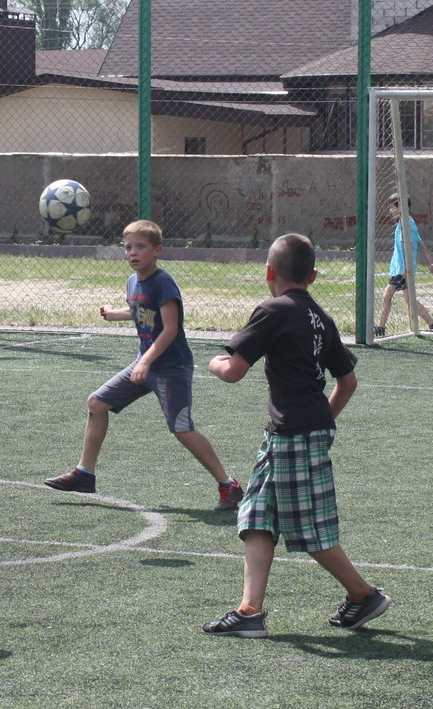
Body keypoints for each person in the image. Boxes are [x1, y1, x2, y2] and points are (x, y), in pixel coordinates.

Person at [201, 233, 388, 638]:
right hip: (290, 433)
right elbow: (348, 381)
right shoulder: (321, 316)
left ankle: (364, 594)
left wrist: (214, 362)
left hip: (293, 434)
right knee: (256, 517)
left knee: (310, 530)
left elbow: (233, 371)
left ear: (269, 272)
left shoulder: (274, 310)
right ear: (313, 275)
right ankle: (249, 611)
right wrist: (322, 422)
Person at [43, 220, 242, 510]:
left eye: (140, 247)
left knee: (182, 429)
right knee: (97, 403)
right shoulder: (132, 281)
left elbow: (170, 328)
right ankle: (84, 473)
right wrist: (114, 314)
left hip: (171, 368)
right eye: (128, 247)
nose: (132, 252)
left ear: (157, 250)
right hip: (144, 365)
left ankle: (229, 485)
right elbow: (139, 310)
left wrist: (146, 361)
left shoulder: (163, 282)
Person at [375, 193, 433, 336]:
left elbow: (412, 245)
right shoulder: (404, 222)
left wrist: (406, 267)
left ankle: (380, 328)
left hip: (402, 270)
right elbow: (421, 242)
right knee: (409, 300)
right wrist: (429, 263)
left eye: (392, 207)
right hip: (400, 269)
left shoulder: (407, 224)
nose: (390, 210)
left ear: (401, 207)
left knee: (387, 295)